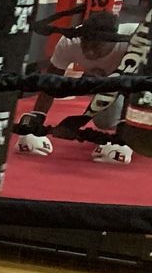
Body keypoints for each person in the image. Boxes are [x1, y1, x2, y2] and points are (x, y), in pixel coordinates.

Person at [16, 9, 135, 165]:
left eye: (96, 47)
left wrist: (124, 137)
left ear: (113, 42)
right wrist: (37, 119)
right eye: (86, 45)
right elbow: (50, 84)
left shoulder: (134, 42)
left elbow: (137, 88)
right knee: (104, 121)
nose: (90, 52)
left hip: (142, 86)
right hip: (113, 85)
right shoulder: (70, 42)